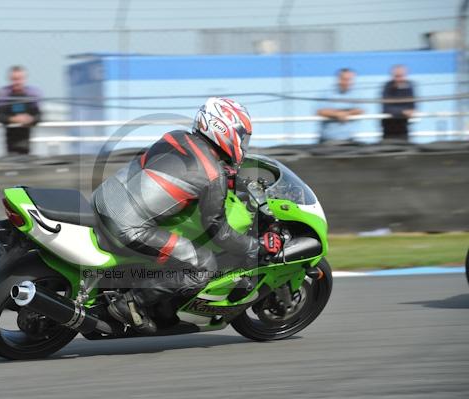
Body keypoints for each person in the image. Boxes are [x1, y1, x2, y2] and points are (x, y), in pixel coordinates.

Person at [92, 97, 281, 333]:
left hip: (104, 199)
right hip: (127, 226)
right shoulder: (213, 175)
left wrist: (229, 178)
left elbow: (181, 170)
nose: (243, 142)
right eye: (241, 136)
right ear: (223, 130)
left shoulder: (177, 137)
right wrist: (255, 247)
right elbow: (218, 232)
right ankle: (131, 303)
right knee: (203, 264)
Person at [0, 66, 41, 155]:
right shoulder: (4, 96)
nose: (17, 82)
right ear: (9, 79)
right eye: (14, 79)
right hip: (10, 141)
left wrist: (30, 119)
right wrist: (13, 119)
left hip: (26, 141)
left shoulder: (31, 96)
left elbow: (39, 116)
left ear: (25, 79)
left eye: (19, 79)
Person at [316, 68, 364, 143]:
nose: (348, 82)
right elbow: (320, 111)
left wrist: (347, 113)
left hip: (348, 140)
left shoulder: (356, 93)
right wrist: (337, 114)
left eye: (350, 79)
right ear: (339, 79)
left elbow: (361, 109)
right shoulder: (327, 93)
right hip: (328, 141)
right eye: (345, 79)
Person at [381, 65, 416, 141]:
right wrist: (403, 111)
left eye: (401, 76)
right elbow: (386, 108)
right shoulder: (387, 86)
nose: (399, 79)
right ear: (392, 76)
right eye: (396, 76)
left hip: (404, 125)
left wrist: (406, 112)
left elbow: (412, 107)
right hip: (388, 126)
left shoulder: (409, 86)